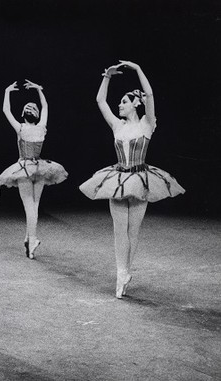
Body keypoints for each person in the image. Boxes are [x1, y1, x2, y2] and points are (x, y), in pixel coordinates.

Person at [79, 60, 185, 298]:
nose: (119, 105)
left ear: (135, 105)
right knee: (119, 230)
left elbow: (149, 93)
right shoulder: (117, 125)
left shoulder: (148, 124)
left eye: (124, 102)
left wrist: (137, 69)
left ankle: (127, 271)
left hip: (140, 181)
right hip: (117, 180)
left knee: (133, 231)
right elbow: (100, 101)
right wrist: (106, 77)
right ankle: (120, 274)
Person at [0, 80, 68, 259]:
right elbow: (45, 106)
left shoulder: (21, 128)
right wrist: (39, 90)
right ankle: (29, 237)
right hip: (39, 168)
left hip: (24, 168)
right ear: (36, 116)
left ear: (24, 115)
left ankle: (33, 238)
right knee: (34, 205)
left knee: (30, 206)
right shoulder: (41, 128)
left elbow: (6, 111)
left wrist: (7, 91)